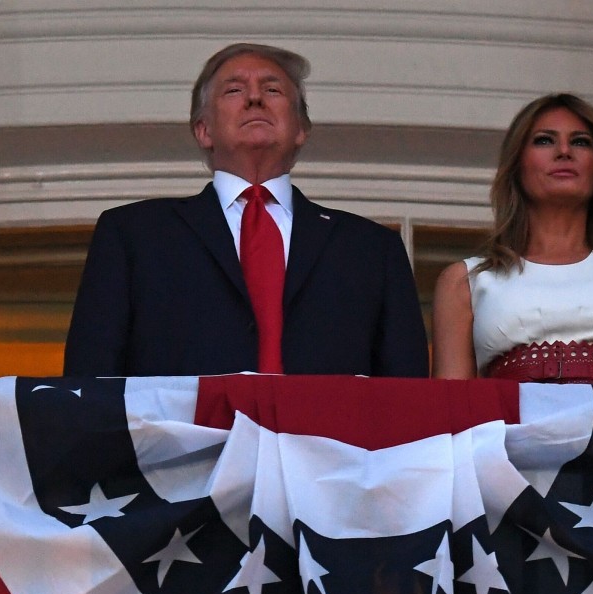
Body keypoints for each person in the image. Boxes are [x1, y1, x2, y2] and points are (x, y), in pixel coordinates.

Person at [63, 43, 429, 378]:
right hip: (185, 450)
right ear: (203, 130)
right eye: (234, 90)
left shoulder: (372, 250)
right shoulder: (134, 236)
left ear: (301, 128)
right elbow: (89, 390)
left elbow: (407, 401)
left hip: (327, 449)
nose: (255, 98)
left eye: (272, 89)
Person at [431, 93, 593, 386]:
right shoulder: (465, 281)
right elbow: (451, 414)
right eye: (544, 140)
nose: (564, 151)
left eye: (580, 141)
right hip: (513, 431)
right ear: (516, 165)